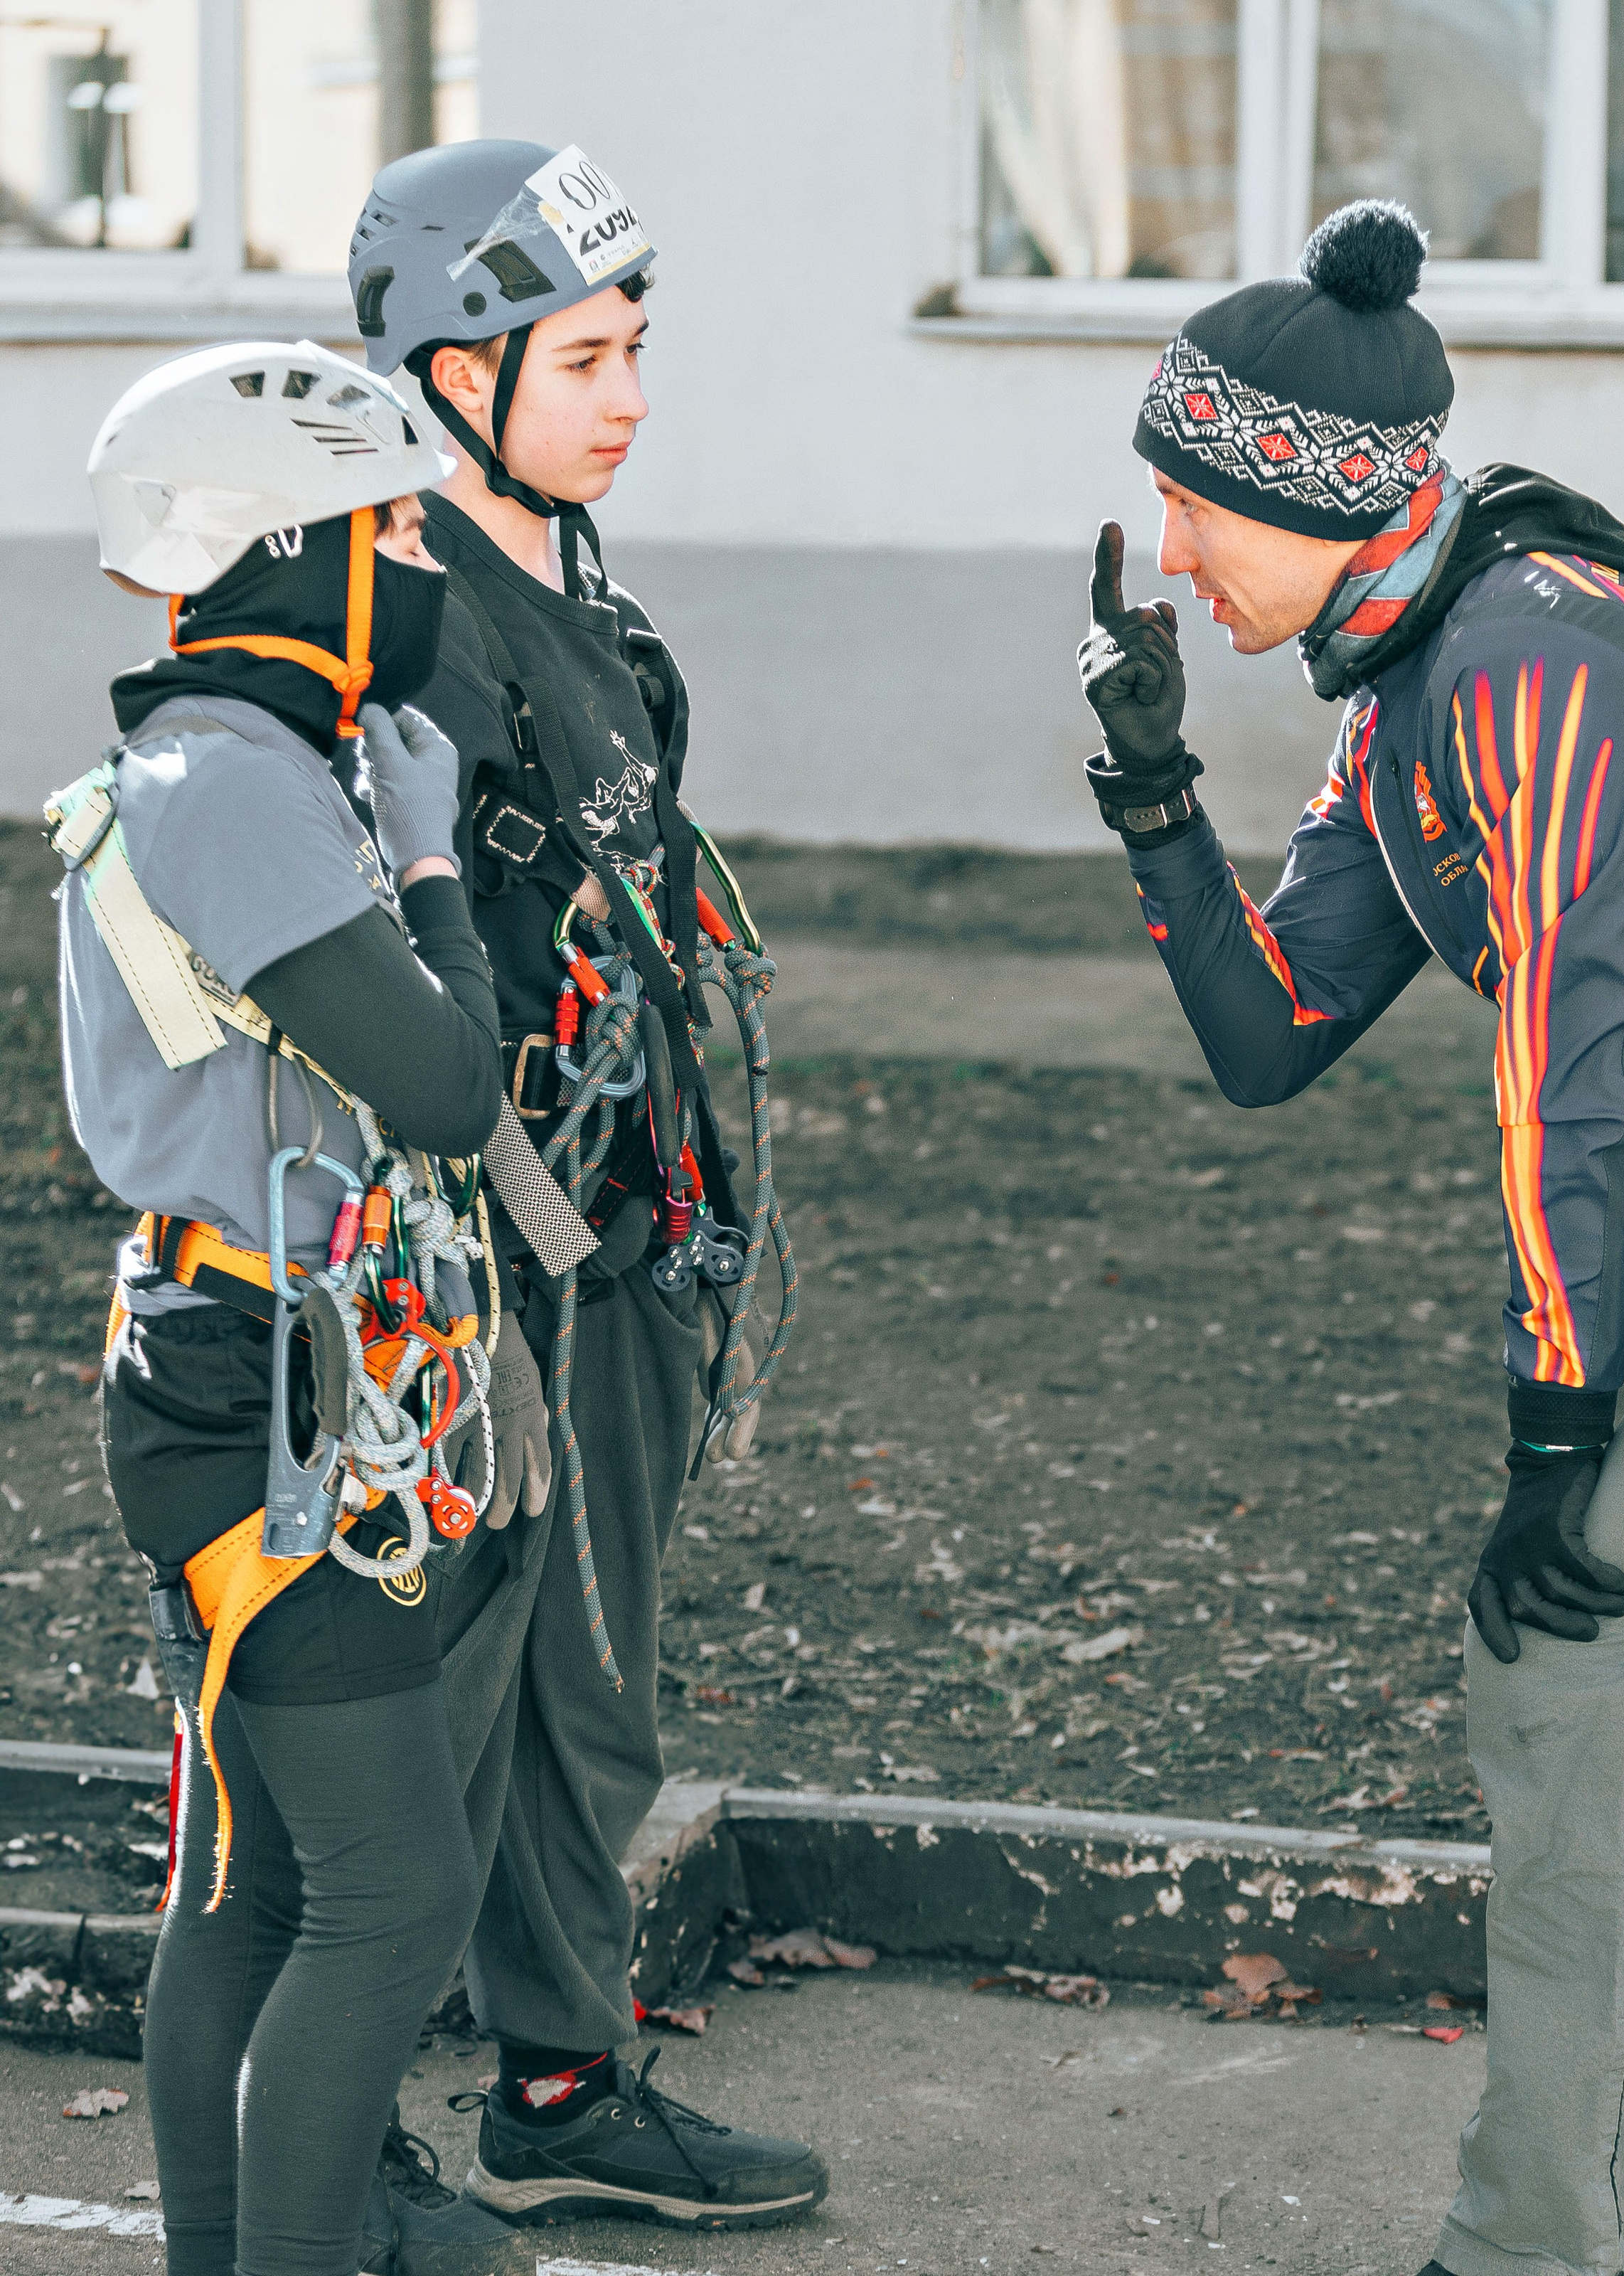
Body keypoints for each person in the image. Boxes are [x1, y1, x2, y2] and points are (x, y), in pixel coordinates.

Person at [1075, 199, 1624, 2272]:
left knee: (1570, 1642)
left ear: (1319, 498)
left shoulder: (1532, 663)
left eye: (1196, 503)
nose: (1177, 545)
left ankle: (1532, 2247)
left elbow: (1579, 1069)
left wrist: (1552, 1431)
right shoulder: (1412, 694)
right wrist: (1153, 796)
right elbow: (1267, 1038)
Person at [348, 142, 823, 2235]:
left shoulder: (572, 582)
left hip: (621, 1235)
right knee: (428, 1703)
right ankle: (332, 2134)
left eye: (639, 350)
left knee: (588, 1690)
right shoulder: (400, 629)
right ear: (450, 372)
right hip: (471, 1277)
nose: (629, 395)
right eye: (586, 357)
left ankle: (559, 2083)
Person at [60, 339, 547, 2276]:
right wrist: (430, 866)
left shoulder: (235, 757)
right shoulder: (240, 782)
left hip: (249, 1369)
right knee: (389, 1891)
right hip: (250, 1402)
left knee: (253, 1886)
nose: (423, 556)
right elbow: (443, 1088)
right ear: (294, 548)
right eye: (396, 522)